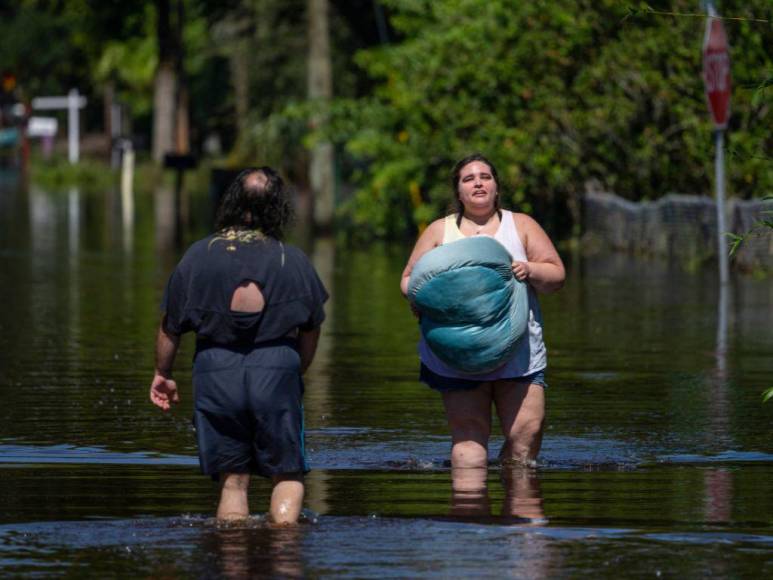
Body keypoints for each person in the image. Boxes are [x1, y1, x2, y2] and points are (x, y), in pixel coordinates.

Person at [149, 167, 328, 524]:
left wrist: (162, 373)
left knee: (233, 481)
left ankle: (231, 556)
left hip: (216, 369)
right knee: (287, 474)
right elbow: (311, 329)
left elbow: (171, 327)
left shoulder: (198, 256)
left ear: (231, 202)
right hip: (277, 367)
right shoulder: (292, 260)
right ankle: (284, 552)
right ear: (279, 208)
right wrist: (294, 371)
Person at [400, 153, 565, 470]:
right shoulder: (439, 231)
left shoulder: (522, 225)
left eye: (485, 177)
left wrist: (529, 269)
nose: (478, 182)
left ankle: (517, 512)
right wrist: (428, 297)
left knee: (525, 438)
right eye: (468, 178)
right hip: (457, 354)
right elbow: (408, 279)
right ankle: (470, 514)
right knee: (469, 440)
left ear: (497, 187)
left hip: (519, 353)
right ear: (459, 192)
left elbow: (557, 274)